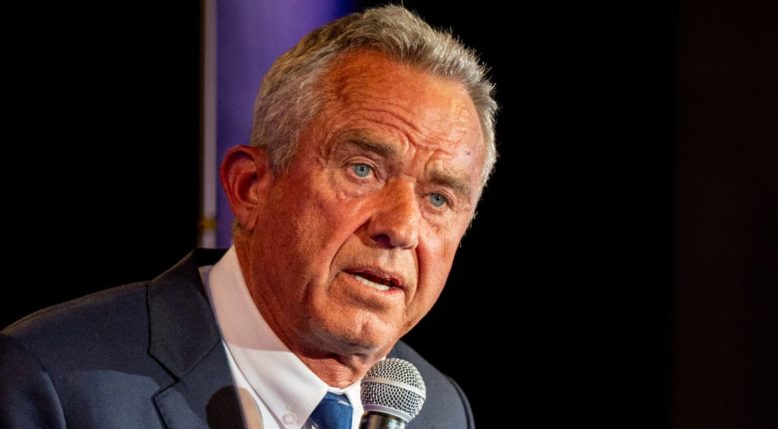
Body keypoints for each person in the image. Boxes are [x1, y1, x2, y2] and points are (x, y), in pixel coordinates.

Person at [0, 5, 496, 428]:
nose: (401, 228)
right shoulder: (55, 383)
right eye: (362, 169)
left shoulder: (442, 412)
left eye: (438, 199)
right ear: (251, 186)